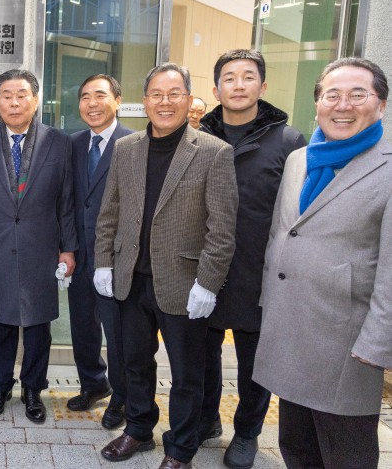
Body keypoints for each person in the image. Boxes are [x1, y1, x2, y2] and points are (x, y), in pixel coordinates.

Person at [94, 63, 237, 469]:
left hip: (184, 283)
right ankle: (139, 429)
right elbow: (110, 211)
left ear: (189, 100)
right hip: (131, 279)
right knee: (135, 363)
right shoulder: (127, 148)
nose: (165, 102)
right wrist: (104, 262)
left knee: (187, 374)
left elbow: (222, 228)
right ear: (145, 101)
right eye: (156, 94)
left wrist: (208, 283)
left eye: (174, 94)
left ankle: (181, 449)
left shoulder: (213, 152)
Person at [254, 57, 392, 469]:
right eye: (332, 95)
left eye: (357, 95)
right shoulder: (300, 159)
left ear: (381, 105)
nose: (343, 105)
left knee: (346, 453)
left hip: (345, 345)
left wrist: (377, 345)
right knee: (296, 447)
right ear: (317, 104)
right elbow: (281, 234)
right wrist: (269, 307)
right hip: (291, 329)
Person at [197, 49, 305, 469]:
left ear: (263, 86)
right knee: (201, 355)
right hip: (204, 265)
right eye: (229, 78)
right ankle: (206, 420)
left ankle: (247, 432)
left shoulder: (290, 142)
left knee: (254, 363)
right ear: (216, 89)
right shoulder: (198, 137)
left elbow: (299, 213)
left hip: (259, 270)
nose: (238, 85)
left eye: (247, 77)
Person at [0, 69, 77, 424]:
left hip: (41, 249)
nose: (14, 102)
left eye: (21, 95)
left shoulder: (59, 143)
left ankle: (32, 389)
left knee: (39, 326)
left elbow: (66, 202)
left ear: (35, 100)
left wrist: (68, 248)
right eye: (7, 96)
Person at [67, 74, 133, 429]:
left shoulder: (134, 143)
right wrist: (66, 248)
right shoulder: (73, 143)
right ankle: (93, 384)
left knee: (118, 332)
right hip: (80, 253)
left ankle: (122, 397)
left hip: (118, 257)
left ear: (117, 101)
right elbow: (68, 199)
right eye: (85, 96)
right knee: (83, 326)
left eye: (100, 95)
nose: (92, 103)